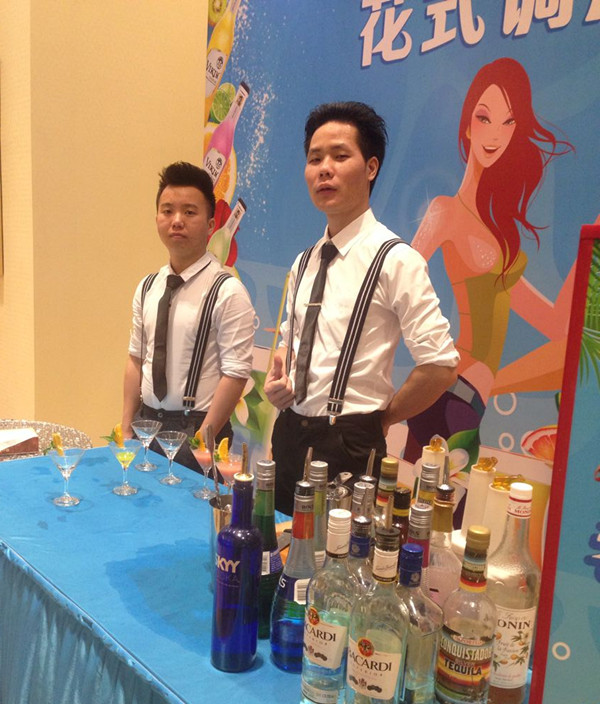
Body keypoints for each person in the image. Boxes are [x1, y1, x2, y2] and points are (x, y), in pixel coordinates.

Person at [265, 101, 459, 515]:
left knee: (339, 554)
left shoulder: (396, 259)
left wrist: (383, 419)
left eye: (340, 156)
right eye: (315, 159)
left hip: (349, 445)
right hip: (288, 434)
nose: (324, 169)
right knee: (277, 546)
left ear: (371, 167)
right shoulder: (304, 261)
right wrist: (280, 377)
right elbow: (290, 342)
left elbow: (441, 366)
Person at [407, 57, 576, 467]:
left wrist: (590, 249)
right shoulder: (445, 212)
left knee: (442, 507)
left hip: (468, 403)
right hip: (448, 395)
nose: (494, 134)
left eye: (508, 122)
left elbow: (557, 326)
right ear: (467, 124)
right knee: (417, 503)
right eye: (484, 118)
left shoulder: (501, 240)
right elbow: (398, 284)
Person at [121, 161, 255, 471]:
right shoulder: (148, 287)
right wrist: (126, 429)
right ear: (157, 218)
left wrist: (201, 442)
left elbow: (235, 375)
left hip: (198, 429)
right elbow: (135, 360)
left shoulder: (227, 291)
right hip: (145, 425)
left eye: (190, 212)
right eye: (167, 211)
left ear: (210, 225)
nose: (177, 221)